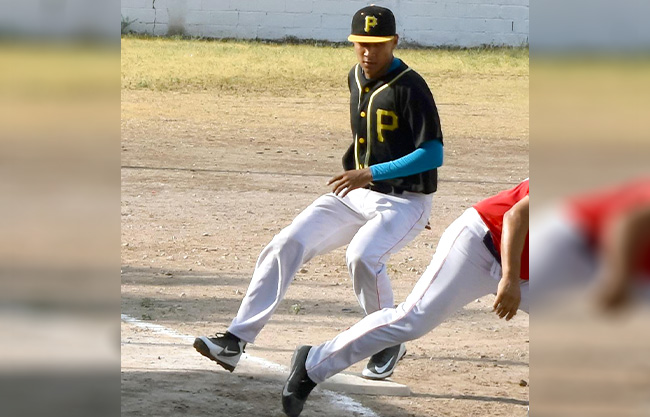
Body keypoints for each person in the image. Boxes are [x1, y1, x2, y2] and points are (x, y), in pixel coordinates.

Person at [194, 4, 444, 380]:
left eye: (377, 44)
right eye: (361, 43)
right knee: (287, 242)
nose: (368, 52)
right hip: (356, 192)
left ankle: (388, 340)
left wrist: (376, 177)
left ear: (394, 42)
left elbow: (433, 153)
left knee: (362, 256)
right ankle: (235, 340)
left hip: (404, 201)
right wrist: (366, 177)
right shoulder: (355, 77)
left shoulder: (411, 87)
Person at [282, 179, 529, 417]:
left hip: (524, 267)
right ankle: (313, 364)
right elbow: (515, 217)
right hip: (477, 244)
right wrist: (509, 278)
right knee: (412, 319)